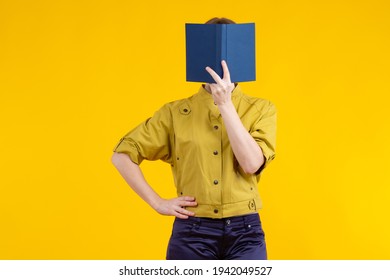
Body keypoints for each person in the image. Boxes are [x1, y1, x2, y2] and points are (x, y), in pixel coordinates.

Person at [111, 17, 276, 260]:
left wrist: (226, 105)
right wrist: (157, 203)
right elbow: (122, 155)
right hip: (192, 231)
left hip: (245, 231)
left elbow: (251, 164)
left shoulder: (261, 109)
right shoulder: (175, 113)